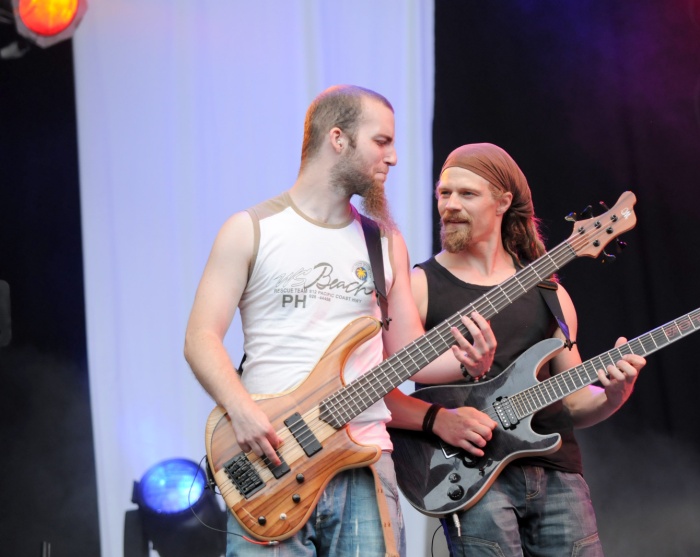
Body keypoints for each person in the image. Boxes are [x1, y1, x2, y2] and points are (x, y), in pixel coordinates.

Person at [183, 85, 496, 557]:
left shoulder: (384, 243)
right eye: (381, 141)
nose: (393, 157)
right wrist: (241, 411)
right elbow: (200, 338)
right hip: (272, 460)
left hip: (364, 459)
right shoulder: (251, 229)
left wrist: (470, 364)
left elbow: (409, 354)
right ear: (338, 138)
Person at [386, 142, 646, 556]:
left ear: (503, 202)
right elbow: (375, 391)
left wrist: (614, 394)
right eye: (444, 193)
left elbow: (574, 403)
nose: (450, 205)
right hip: (472, 477)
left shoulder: (550, 293)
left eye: (467, 194)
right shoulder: (419, 286)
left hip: (558, 473)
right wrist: (438, 420)